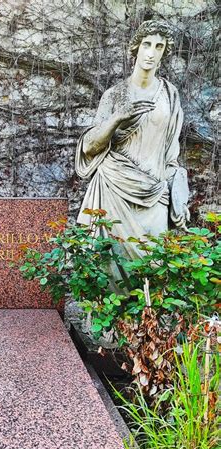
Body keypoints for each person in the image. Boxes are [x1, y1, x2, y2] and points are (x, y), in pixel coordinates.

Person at [76, 20, 190, 267]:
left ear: (164, 52)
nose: (151, 52)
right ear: (136, 48)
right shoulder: (115, 94)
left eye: (159, 46)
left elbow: (171, 155)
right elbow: (89, 147)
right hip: (113, 188)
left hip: (154, 193)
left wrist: (178, 191)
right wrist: (118, 118)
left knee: (154, 266)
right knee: (110, 269)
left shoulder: (170, 95)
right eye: (147, 44)